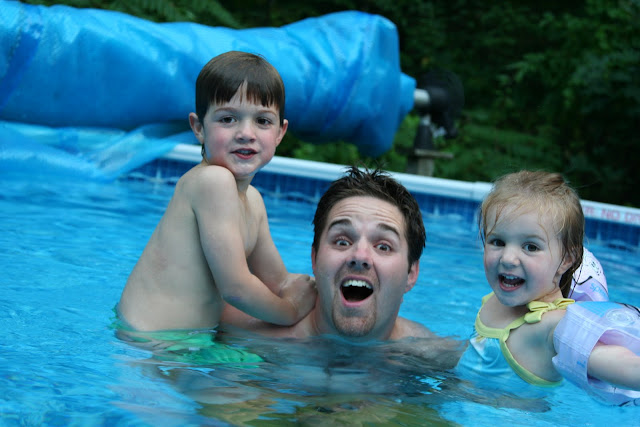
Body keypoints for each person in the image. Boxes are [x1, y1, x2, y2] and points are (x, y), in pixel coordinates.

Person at [117, 51, 316, 332]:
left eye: (262, 121)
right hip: (151, 341)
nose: (246, 133)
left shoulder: (254, 201)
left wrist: (323, 289)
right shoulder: (212, 182)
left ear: (280, 133)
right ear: (199, 127)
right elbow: (236, 289)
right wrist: (290, 311)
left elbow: (279, 282)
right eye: (228, 119)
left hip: (186, 342)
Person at [222, 166, 460, 352]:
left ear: (411, 274)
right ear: (314, 258)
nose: (359, 256)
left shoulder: (432, 356)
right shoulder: (242, 331)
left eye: (383, 246)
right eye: (342, 242)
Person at [456, 170, 640, 395]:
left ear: (567, 259)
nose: (508, 258)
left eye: (531, 247)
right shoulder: (502, 297)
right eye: (498, 241)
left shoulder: (553, 326)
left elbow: (613, 361)